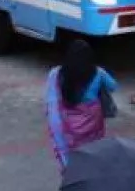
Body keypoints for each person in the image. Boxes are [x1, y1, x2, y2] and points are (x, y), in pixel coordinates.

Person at [45, 39, 118, 172]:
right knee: (93, 151)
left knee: (75, 153)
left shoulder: (56, 74)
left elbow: (52, 107)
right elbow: (113, 86)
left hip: (70, 124)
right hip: (93, 123)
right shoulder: (98, 72)